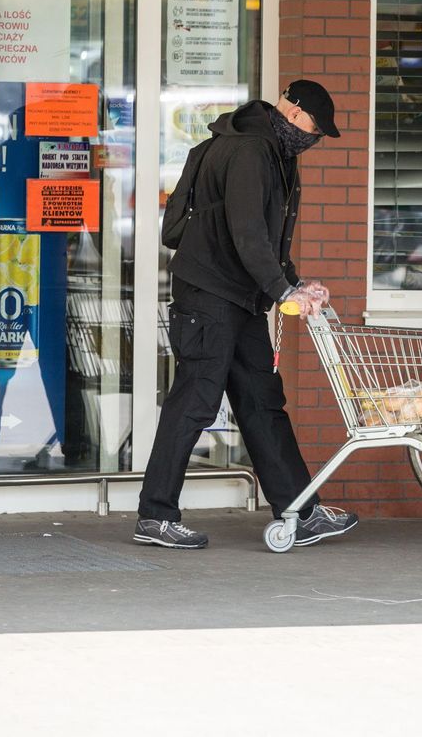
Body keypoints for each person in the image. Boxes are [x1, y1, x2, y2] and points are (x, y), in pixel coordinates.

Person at [134, 80, 358, 549]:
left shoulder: (273, 151)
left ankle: (300, 509)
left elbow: (267, 237)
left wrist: (291, 283)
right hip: (209, 295)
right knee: (194, 401)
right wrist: (283, 292)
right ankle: (155, 516)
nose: (313, 141)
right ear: (294, 114)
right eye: (314, 130)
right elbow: (247, 231)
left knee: (261, 402)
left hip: (241, 297)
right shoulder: (251, 150)